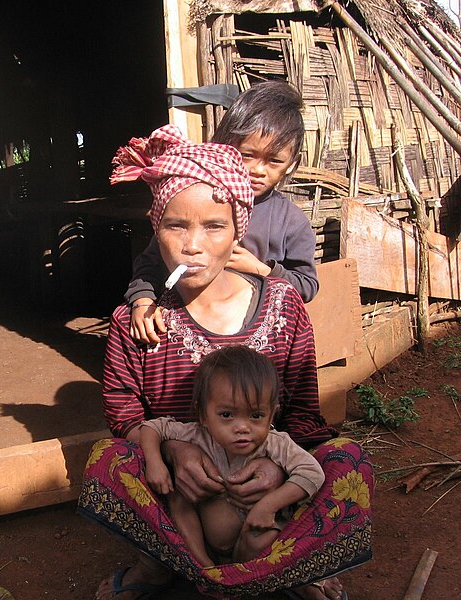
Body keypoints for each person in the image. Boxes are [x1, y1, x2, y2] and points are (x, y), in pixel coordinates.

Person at [78, 125, 371, 600]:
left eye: (214, 226)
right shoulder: (136, 322)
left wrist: (278, 471)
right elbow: (125, 416)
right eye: (176, 226)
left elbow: (301, 416)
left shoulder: (283, 307)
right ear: (156, 230)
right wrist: (175, 452)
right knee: (108, 462)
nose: (193, 244)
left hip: (264, 498)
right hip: (183, 497)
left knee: (348, 462)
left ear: (239, 231)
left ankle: (290, 561)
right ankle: (162, 564)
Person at [126, 80, 319, 347]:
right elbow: (150, 261)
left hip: (256, 341)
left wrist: (261, 270)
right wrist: (142, 299)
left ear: (291, 164)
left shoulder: (290, 221)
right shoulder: (200, 202)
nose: (258, 170)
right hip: (187, 334)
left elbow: (307, 286)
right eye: (247, 155)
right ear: (225, 145)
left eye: (274, 160)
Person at [139, 346, 325, 567]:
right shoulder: (197, 434)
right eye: (226, 415)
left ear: (272, 414)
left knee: (266, 538)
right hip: (203, 538)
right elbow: (152, 428)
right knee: (177, 496)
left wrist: (269, 505)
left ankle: (253, 575)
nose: (242, 427)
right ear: (203, 415)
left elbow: (313, 472)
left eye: (256, 416)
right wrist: (155, 463)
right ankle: (203, 565)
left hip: (249, 541)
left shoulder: (275, 443)